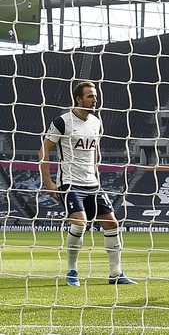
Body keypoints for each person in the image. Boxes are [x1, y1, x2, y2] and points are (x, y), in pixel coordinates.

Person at [39, 81, 137, 286]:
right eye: (90, 96)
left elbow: (94, 150)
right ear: (79, 99)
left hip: (92, 183)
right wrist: (48, 182)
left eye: (95, 95)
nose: (95, 99)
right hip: (70, 182)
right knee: (80, 222)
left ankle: (116, 273)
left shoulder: (96, 122)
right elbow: (44, 151)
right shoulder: (62, 122)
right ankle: (72, 271)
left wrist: (94, 170)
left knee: (112, 224)